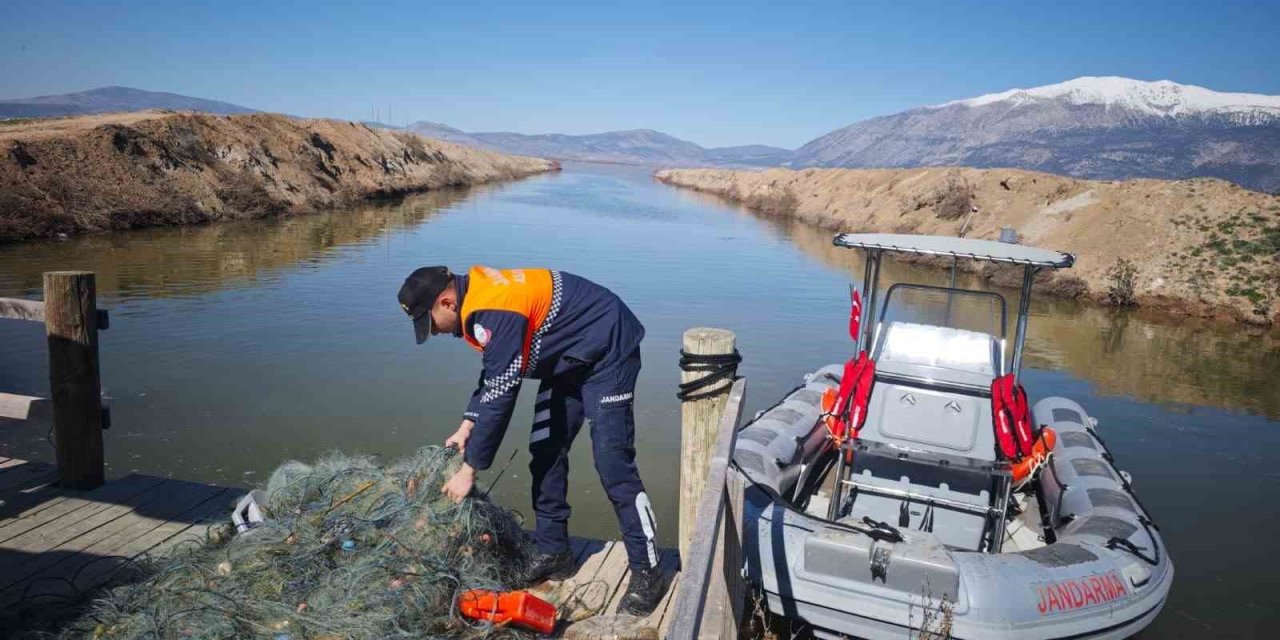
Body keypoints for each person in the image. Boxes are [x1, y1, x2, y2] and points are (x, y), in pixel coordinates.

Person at [397, 265, 664, 615]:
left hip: (607, 350)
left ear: (447, 302)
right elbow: (496, 373)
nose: (433, 332)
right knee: (545, 449)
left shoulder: (494, 308)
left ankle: (649, 569)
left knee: (612, 461)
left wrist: (470, 469)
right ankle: (555, 552)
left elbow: (503, 394)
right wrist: (467, 425)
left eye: (430, 323)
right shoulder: (477, 300)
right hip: (568, 356)